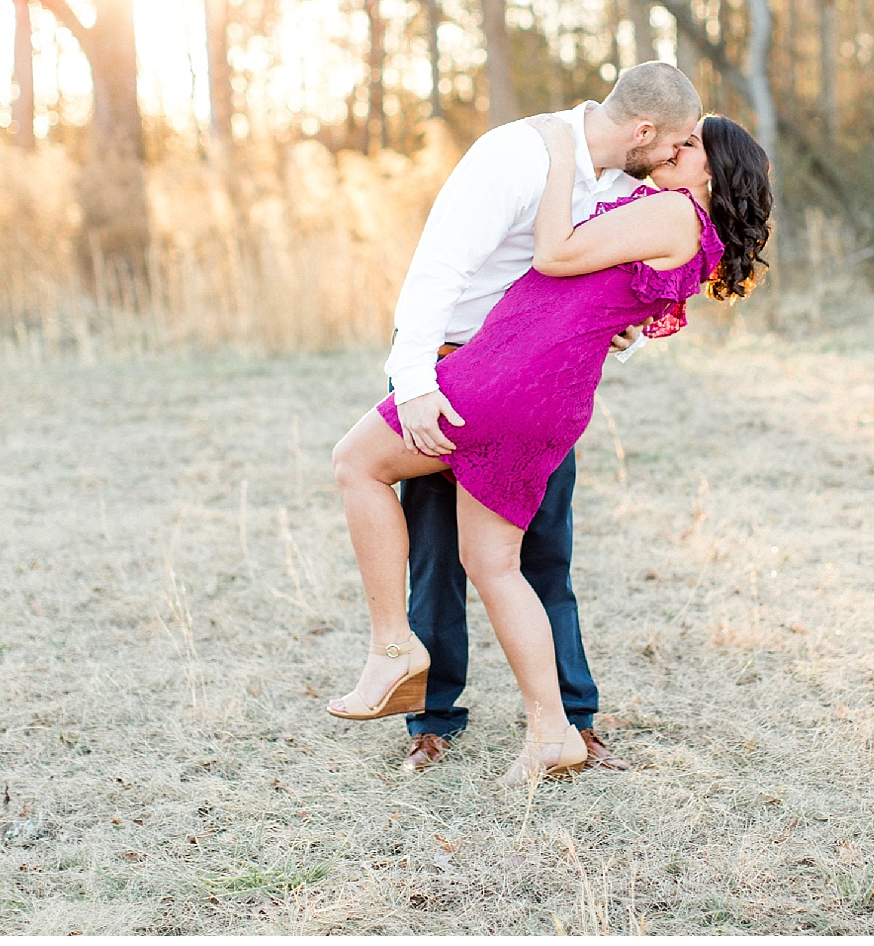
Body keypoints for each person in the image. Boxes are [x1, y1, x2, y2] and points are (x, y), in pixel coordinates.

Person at [329, 106, 773, 786]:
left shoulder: (677, 212)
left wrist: (563, 150)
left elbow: (555, 253)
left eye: (690, 144)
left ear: (710, 166)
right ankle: (550, 732)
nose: (675, 151)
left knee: (357, 462)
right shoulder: (685, 225)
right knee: (492, 562)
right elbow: (617, 303)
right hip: (544, 393)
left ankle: (392, 646)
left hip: (503, 377)